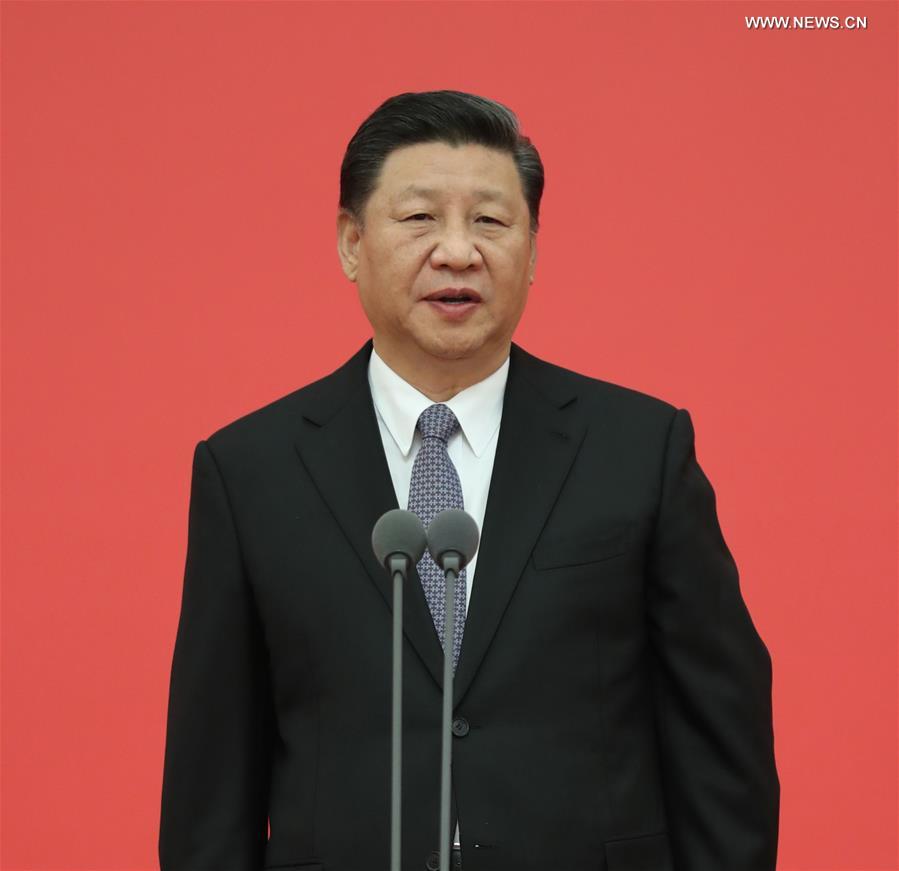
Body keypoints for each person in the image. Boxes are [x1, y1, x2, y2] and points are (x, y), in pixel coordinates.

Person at [158, 90, 779, 871]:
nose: (457, 252)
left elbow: (721, 745)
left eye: (489, 221)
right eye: (419, 217)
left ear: (533, 250)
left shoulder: (637, 449)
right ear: (350, 242)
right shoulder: (251, 470)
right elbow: (210, 788)